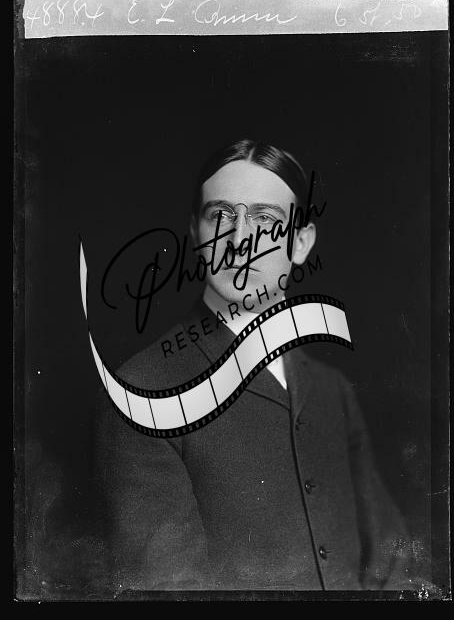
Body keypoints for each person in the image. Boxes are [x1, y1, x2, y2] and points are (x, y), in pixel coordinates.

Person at [94, 139, 414, 591]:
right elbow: (171, 591)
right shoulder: (142, 393)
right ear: (195, 233)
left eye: (265, 219)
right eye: (221, 215)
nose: (240, 239)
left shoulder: (333, 390)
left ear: (300, 243)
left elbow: (395, 568)